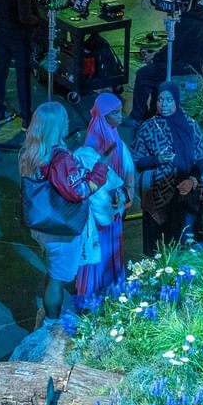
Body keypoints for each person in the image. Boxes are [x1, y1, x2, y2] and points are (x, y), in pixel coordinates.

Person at [18, 104, 91, 320]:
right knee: (57, 278)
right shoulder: (60, 157)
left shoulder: (28, 154)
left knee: (53, 271)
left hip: (41, 226)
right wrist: (97, 174)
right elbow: (77, 192)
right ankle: (50, 324)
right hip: (61, 227)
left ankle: (46, 316)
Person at [72, 93, 136, 308]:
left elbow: (128, 171)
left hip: (113, 213)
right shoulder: (90, 149)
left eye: (120, 111)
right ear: (103, 116)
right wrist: (117, 200)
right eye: (114, 113)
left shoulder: (116, 140)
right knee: (96, 255)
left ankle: (112, 294)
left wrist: (124, 197)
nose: (120, 116)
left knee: (111, 254)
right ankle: (90, 299)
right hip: (97, 219)